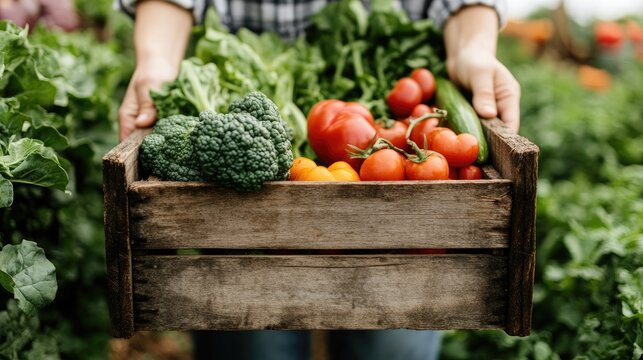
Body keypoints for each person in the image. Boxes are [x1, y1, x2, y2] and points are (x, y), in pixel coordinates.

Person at [115, 1, 518, 359]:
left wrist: (471, 51)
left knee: (392, 342)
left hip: (395, 219)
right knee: (253, 340)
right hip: (245, 207)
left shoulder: (393, 140)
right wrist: (156, 64)